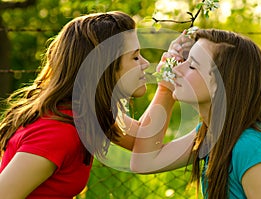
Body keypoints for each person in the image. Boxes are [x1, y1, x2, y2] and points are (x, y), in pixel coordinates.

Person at [130, 29, 261, 198]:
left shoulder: (250, 148)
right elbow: (144, 162)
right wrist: (165, 89)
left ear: (221, 83)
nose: (177, 69)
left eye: (191, 65)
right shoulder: (212, 135)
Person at [0, 11, 150, 198]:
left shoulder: (84, 114)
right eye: (135, 57)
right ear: (104, 68)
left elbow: (145, 142)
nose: (146, 63)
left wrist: (167, 85)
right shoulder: (60, 132)